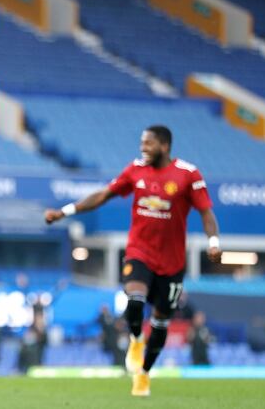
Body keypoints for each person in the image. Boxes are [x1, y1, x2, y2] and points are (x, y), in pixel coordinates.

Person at [45, 125, 222, 397]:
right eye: (142, 143)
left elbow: (206, 212)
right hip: (140, 251)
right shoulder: (135, 170)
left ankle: (144, 373)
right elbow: (103, 195)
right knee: (135, 300)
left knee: (161, 323)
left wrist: (213, 242)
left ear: (164, 146)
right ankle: (136, 339)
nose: (143, 148)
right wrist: (65, 211)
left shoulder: (188, 174)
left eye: (148, 143)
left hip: (172, 263)